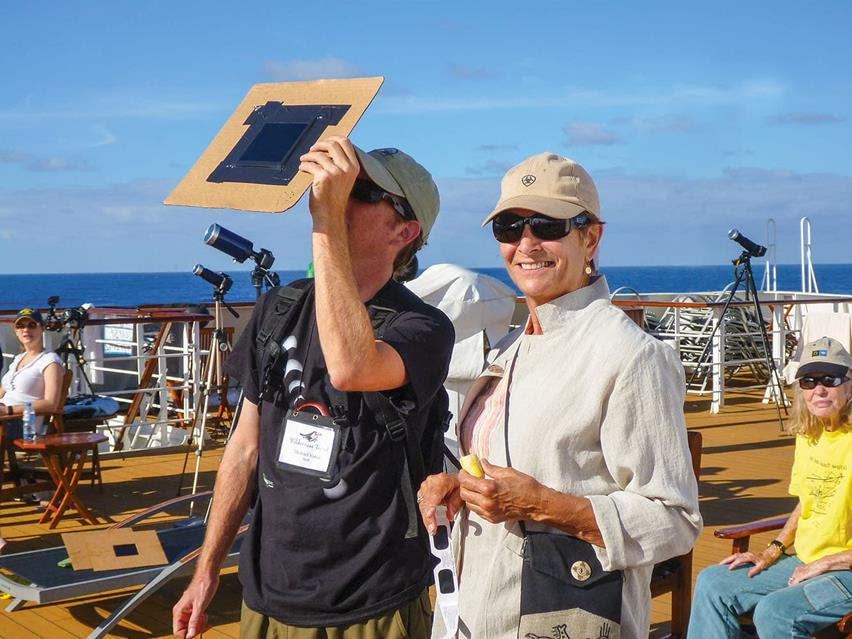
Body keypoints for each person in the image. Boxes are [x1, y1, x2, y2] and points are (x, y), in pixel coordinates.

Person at [172, 137, 455, 639]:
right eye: (342, 182)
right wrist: (207, 570)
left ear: (403, 231)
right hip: (269, 592)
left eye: (362, 190)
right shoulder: (278, 309)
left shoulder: (422, 328)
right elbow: (243, 450)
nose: (339, 191)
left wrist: (325, 221)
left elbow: (352, 367)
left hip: (370, 599)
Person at [418, 152, 702, 639]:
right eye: (509, 227)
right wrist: (457, 488)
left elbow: (674, 519)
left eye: (547, 225)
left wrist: (543, 504)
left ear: (590, 237)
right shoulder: (514, 344)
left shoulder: (631, 355)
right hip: (476, 613)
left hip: (563, 617)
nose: (526, 243)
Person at [688, 336, 852, 638]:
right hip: (807, 559)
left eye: (830, 379)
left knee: (775, 612)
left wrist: (829, 562)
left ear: (849, 384)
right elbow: (808, 502)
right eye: (809, 381)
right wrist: (773, 549)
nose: (819, 390)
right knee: (713, 582)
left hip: (846, 571)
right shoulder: (810, 436)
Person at [0, 308, 64, 550]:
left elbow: (51, 403)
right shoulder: (18, 360)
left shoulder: (50, 361)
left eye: (32, 325)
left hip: (25, 423)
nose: (26, 330)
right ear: (15, 331)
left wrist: (8, 411)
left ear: (42, 329)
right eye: (21, 326)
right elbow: (3, 392)